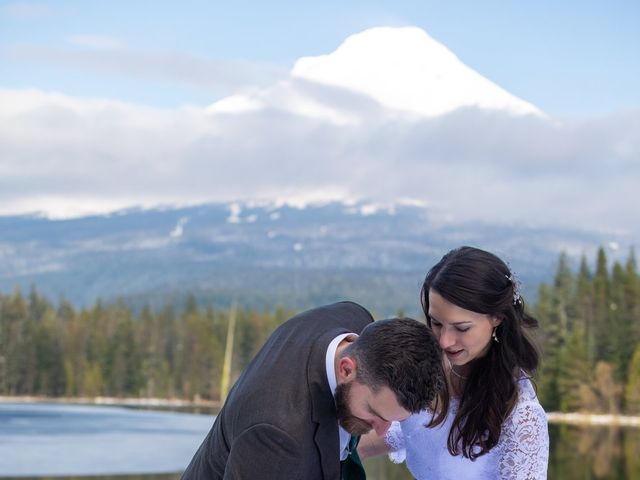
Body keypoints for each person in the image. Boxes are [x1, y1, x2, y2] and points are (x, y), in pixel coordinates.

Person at [181, 301, 445, 480]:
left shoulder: (354, 322)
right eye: (374, 413)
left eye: (393, 419)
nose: (382, 430)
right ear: (346, 369)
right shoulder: (276, 438)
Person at [359, 246, 549, 479]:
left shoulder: (521, 417)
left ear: (497, 318)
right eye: (436, 323)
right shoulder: (424, 372)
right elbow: (377, 436)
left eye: (462, 328)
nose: (445, 341)